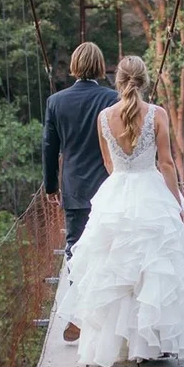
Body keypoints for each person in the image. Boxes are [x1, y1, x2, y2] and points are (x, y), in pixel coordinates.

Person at [51, 55, 184, 367]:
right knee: (152, 267)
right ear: (144, 81)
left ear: (117, 81)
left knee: (115, 267)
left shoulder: (104, 117)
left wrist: (122, 177)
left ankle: (119, 343)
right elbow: (167, 163)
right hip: (151, 190)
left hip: (116, 191)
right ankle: (150, 342)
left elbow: (108, 163)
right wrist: (177, 202)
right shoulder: (157, 114)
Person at [43, 42, 120, 341]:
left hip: (74, 186)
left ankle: (79, 314)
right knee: (110, 249)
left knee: (75, 248)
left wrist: (51, 186)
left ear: (74, 65)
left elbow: (50, 148)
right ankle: (107, 317)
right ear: (101, 66)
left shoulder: (56, 102)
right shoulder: (113, 99)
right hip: (109, 186)